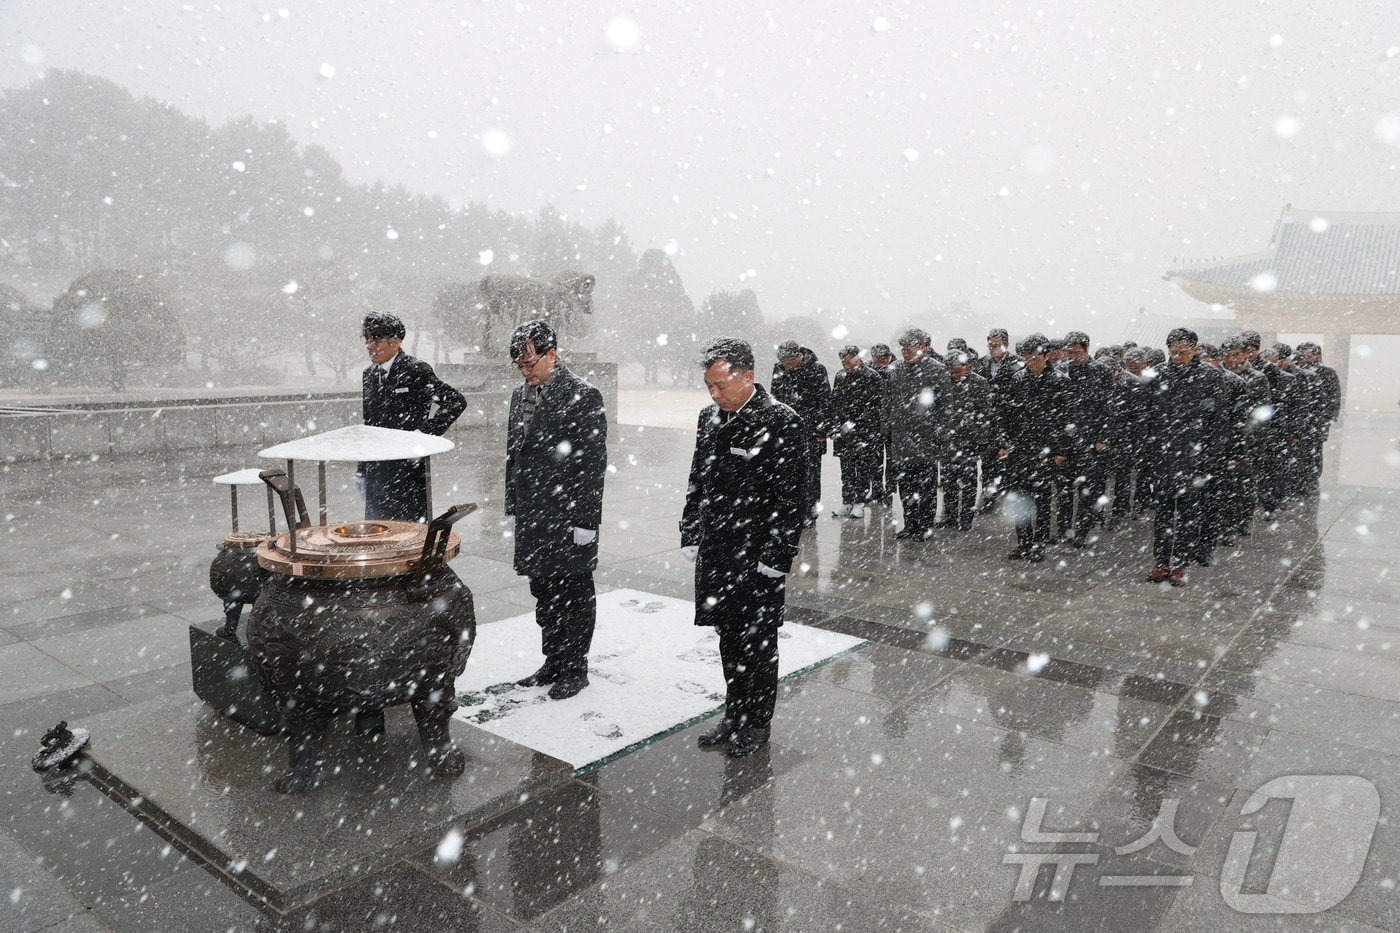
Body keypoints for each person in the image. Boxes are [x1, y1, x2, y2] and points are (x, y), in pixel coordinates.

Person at [681, 337, 806, 758]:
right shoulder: (709, 418)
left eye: (720, 384)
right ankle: (734, 713)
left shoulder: (782, 421)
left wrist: (777, 556)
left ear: (748, 376)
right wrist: (690, 530)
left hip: (756, 554)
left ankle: (757, 723)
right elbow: (698, 478)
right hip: (718, 549)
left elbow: (793, 500)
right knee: (729, 638)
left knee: (759, 642)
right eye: (708, 386)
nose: (714, 394)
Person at [505, 319, 608, 701]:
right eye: (520, 365)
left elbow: (592, 463)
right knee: (543, 590)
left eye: (532, 363)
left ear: (552, 354)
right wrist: (513, 504)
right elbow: (513, 454)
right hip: (533, 512)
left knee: (574, 593)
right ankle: (552, 660)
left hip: (566, 513)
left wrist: (586, 520)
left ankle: (574, 668)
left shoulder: (583, 394)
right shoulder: (520, 395)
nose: (526, 371)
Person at [357, 311, 467, 523]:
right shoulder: (369, 375)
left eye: (376, 339)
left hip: (407, 473)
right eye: (367, 339)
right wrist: (362, 469)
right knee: (378, 535)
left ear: (396, 342)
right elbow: (368, 426)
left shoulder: (416, 370)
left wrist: (422, 435)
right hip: (376, 472)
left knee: (409, 536)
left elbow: (455, 401)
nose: (369, 346)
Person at [1145, 328, 1228, 586]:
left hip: (1195, 455)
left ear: (1195, 350)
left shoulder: (1211, 376)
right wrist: (1148, 451)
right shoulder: (1158, 375)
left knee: (1189, 514)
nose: (1177, 356)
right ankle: (1160, 562)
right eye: (1173, 351)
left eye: (1183, 351)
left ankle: (1180, 564)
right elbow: (1146, 416)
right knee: (1163, 514)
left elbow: (1220, 420)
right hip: (1163, 455)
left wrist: (1212, 455)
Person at [996, 334, 1070, 562]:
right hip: (1020, 448)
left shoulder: (1059, 381)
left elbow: (1066, 419)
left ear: (1047, 356)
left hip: (1046, 449)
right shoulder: (1017, 379)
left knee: (1043, 500)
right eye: (1028, 356)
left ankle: (1038, 544)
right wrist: (1003, 443)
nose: (1032, 360)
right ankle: (1023, 542)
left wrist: (1061, 450)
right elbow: (1004, 414)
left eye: (1037, 356)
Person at [885, 328, 950, 540]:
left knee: (926, 487)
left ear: (924, 347)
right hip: (901, 438)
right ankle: (910, 524)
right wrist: (887, 427)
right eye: (903, 348)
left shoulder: (937, 370)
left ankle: (925, 526)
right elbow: (887, 402)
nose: (907, 352)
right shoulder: (894, 369)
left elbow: (945, 406)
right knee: (905, 486)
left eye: (911, 348)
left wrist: (938, 431)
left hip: (926, 438)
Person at [770, 340, 831, 524]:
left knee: (811, 473)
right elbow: (775, 399)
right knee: (787, 471)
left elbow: (825, 400)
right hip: (787, 430)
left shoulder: (816, 369)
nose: (786, 366)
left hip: (811, 430)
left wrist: (822, 429)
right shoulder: (779, 369)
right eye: (783, 363)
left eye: (789, 362)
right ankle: (791, 509)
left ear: (798, 356)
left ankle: (809, 511)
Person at [828, 345, 884, 518]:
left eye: (850, 361)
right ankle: (847, 501)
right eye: (843, 362)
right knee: (846, 468)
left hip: (865, 431)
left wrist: (856, 424)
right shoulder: (840, 376)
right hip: (844, 432)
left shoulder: (872, 377)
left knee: (863, 468)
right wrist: (834, 425)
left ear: (858, 359)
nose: (847, 365)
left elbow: (876, 406)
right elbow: (834, 402)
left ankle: (859, 502)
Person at [941, 352, 993, 531]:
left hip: (969, 441)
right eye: (952, 372)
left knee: (969, 483)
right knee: (948, 482)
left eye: (959, 371)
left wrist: (978, 437)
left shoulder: (979, 383)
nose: (956, 375)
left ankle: (966, 519)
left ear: (967, 365)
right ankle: (949, 516)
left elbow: (985, 414)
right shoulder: (943, 382)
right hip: (948, 441)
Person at [868, 343, 897, 506]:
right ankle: (877, 490)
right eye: (876, 359)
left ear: (889, 357)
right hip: (874, 422)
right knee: (875, 459)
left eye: (882, 359)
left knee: (892, 460)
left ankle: (890, 492)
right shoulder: (870, 372)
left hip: (892, 421)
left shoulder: (897, 371)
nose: (879, 362)